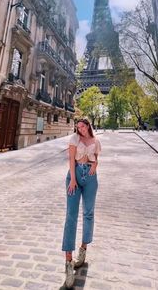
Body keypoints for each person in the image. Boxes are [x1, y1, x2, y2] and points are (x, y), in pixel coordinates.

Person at [62, 118, 101, 288]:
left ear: (88, 126)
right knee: (71, 216)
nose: (81, 129)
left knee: (89, 213)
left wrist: (95, 165)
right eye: (78, 127)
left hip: (91, 178)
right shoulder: (74, 139)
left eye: (83, 126)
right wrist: (72, 180)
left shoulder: (96, 140)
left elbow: (96, 157)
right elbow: (71, 159)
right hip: (75, 175)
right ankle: (68, 263)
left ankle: (83, 250)